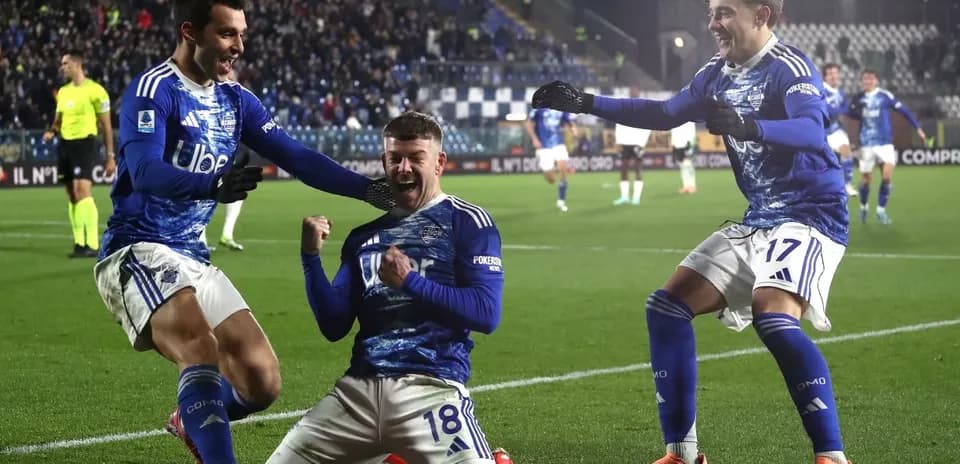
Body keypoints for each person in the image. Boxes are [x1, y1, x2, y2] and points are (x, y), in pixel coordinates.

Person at [532, 1, 852, 463]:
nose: (713, 23)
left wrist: (749, 125)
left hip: (811, 214)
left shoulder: (790, 66)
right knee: (666, 306)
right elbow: (664, 113)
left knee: (773, 315)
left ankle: (831, 456)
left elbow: (810, 131)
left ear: (761, 14)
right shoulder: (714, 73)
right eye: (710, 12)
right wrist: (586, 103)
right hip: (760, 216)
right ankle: (682, 454)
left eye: (724, 12)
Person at [91, 1, 393, 463]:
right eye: (228, 34)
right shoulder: (153, 91)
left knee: (261, 382)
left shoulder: (236, 99)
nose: (239, 47)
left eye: (242, 35)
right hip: (137, 250)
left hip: (193, 254)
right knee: (201, 345)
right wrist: (211, 183)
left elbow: (298, 156)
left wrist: (371, 191)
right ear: (191, 31)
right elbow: (144, 169)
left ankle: (186, 418)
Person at [266, 112, 512, 464]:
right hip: (356, 395)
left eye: (416, 158)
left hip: (430, 391)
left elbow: (487, 314)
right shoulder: (363, 237)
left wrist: (411, 281)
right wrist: (310, 257)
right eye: (395, 158)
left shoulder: (467, 222)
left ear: (439, 162)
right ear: (383, 161)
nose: (404, 168)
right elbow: (334, 325)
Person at [42, 50, 115, 258]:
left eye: (65, 63)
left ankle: (92, 243)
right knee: (72, 194)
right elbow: (59, 119)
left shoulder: (96, 91)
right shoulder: (63, 92)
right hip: (65, 145)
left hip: (85, 143)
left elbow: (107, 126)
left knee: (82, 189)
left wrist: (110, 156)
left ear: (76, 64)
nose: (62, 67)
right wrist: (51, 131)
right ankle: (79, 243)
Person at [847, 68, 927, 225]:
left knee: (887, 175)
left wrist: (917, 128)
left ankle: (881, 211)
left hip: (885, 143)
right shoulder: (858, 99)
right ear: (862, 81)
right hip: (867, 144)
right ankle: (864, 207)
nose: (868, 81)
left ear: (876, 80)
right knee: (866, 180)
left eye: (870, 79)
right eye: (865, 79)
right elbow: (850, 114)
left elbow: (904, 111)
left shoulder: (885, 96)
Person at [525, 107, 577, 212]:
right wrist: (534, 139)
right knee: (551, 180)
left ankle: (561, 201)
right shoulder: (538, 108)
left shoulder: (561, 107)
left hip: (558, 143)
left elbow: (570, 121)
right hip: (543, 146)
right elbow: (528, 124)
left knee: (562, 168)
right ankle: (558, 168)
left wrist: (573, 129)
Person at [821, 63, 858, 197]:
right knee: (824, 163)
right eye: (830, 73)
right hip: (821, 131)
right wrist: (840, 111)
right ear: (825, 76)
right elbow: (826, 110)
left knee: (846, 151)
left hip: (836, 130)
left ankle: (847, 185)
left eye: (835, 73)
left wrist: (841, 111)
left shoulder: (840, 93)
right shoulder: (821, 90)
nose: (833, 76)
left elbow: (846, 109)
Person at [670, 122, 698, 194]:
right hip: (678, 145)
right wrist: (673, 144)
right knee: (682, 166)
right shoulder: (674, 119)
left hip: (687, 144)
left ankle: (692, 186)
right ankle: (686, 186)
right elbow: (673, 131)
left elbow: (692, 131)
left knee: (688, 164)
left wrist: (691, 143)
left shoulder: (688, 120)